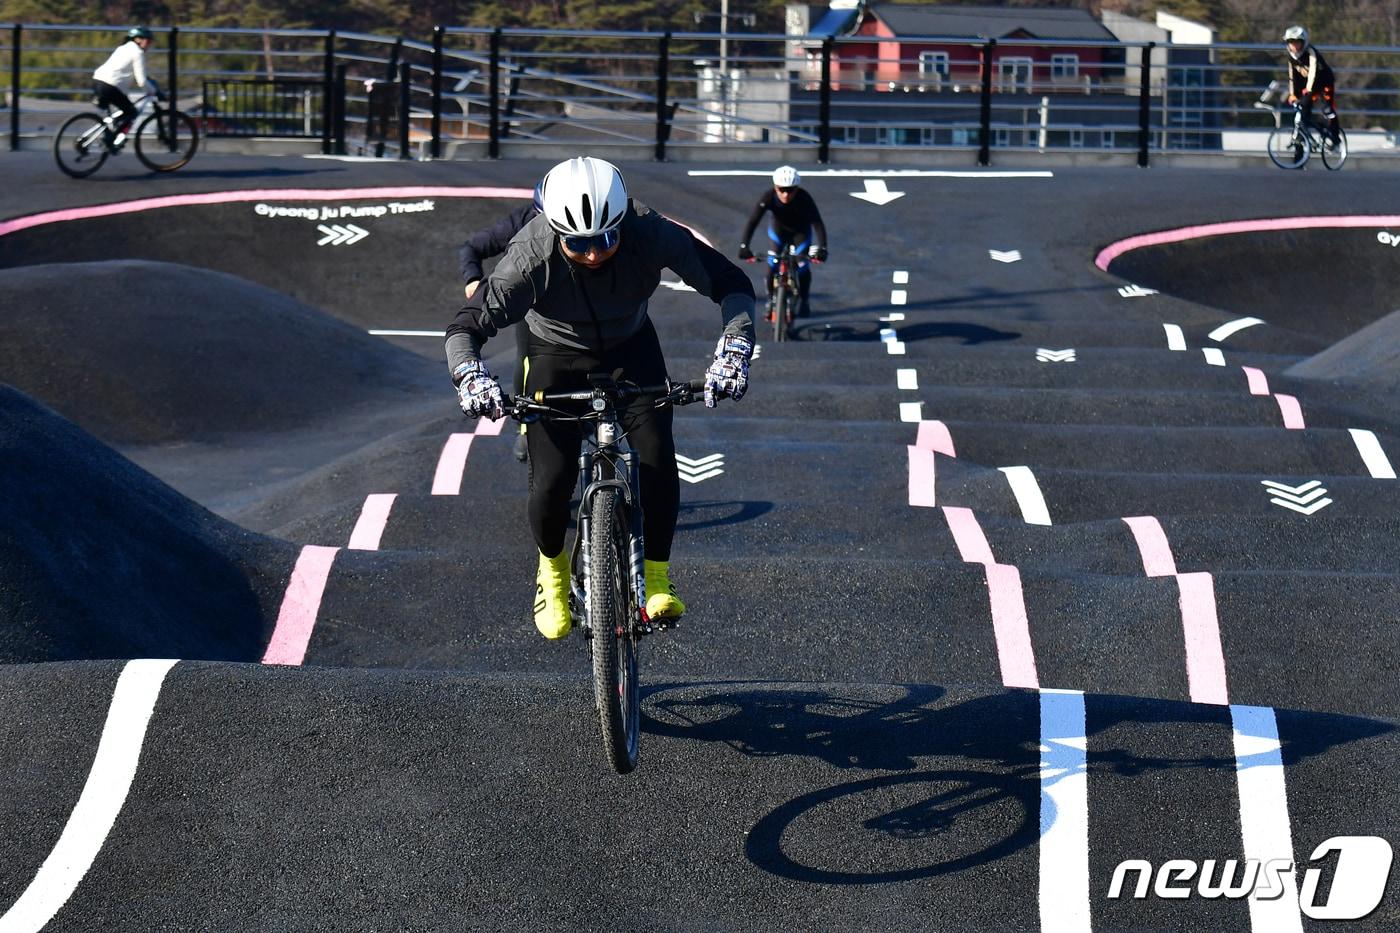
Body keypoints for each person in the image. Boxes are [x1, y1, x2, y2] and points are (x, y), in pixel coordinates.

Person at [445, 156, 756, 640]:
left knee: (656, 456)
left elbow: (731, 283)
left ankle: (656, 578)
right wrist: (469, 375)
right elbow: (466, 328)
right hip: (553, 352)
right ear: (555, 232)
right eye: (579, 244)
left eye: (607, 239)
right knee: (551, 479)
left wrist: (736, 346)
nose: (594, 254)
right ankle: (551, 574)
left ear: (622, 223)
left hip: (631, 348)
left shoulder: (650, 229)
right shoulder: (530, 254)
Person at [458, 182, 543, 462]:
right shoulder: (522, 221)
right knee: (528, 362)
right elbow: (471, 248)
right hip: (538, 310)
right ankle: (524, 428)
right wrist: (472, 279)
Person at [737, 166, 828, 319]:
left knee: (802, 265)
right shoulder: (768, 197)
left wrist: (823, 247)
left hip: (801, 232)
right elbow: (753, 221)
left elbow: (817, 223)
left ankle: (804, 300)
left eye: (791, 190)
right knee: (773, 263)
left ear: (797, 189)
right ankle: (771, 299)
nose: (786, 194)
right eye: (782, 189)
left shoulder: (804, 198)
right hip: (779, 231)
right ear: (775, 187)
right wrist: (744, 246)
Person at [92, 26, 155, 151]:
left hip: (98, 80)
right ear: (138, 40)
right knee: (132, 112)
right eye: (148, 41)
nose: (149, 45)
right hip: (110, 86)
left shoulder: (122, 48)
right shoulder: (138, 53)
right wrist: (152, 90)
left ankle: (111, 137)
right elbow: (141, 81)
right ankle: (112, 141)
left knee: (120, 112)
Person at [1283, 25, 1340, 149]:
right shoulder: (1291, 57)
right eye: (1291, 43)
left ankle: (1335, 137)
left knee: (1327, 109)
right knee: (1302, 110)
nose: (1294, 46)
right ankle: (1301, 141)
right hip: (1309, 86)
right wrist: (1293, 94)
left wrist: (1308, 89)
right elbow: (1292, 77)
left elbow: (1313, 72)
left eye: (1297, 43)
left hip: (1323, 83)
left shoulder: (1311, 53)